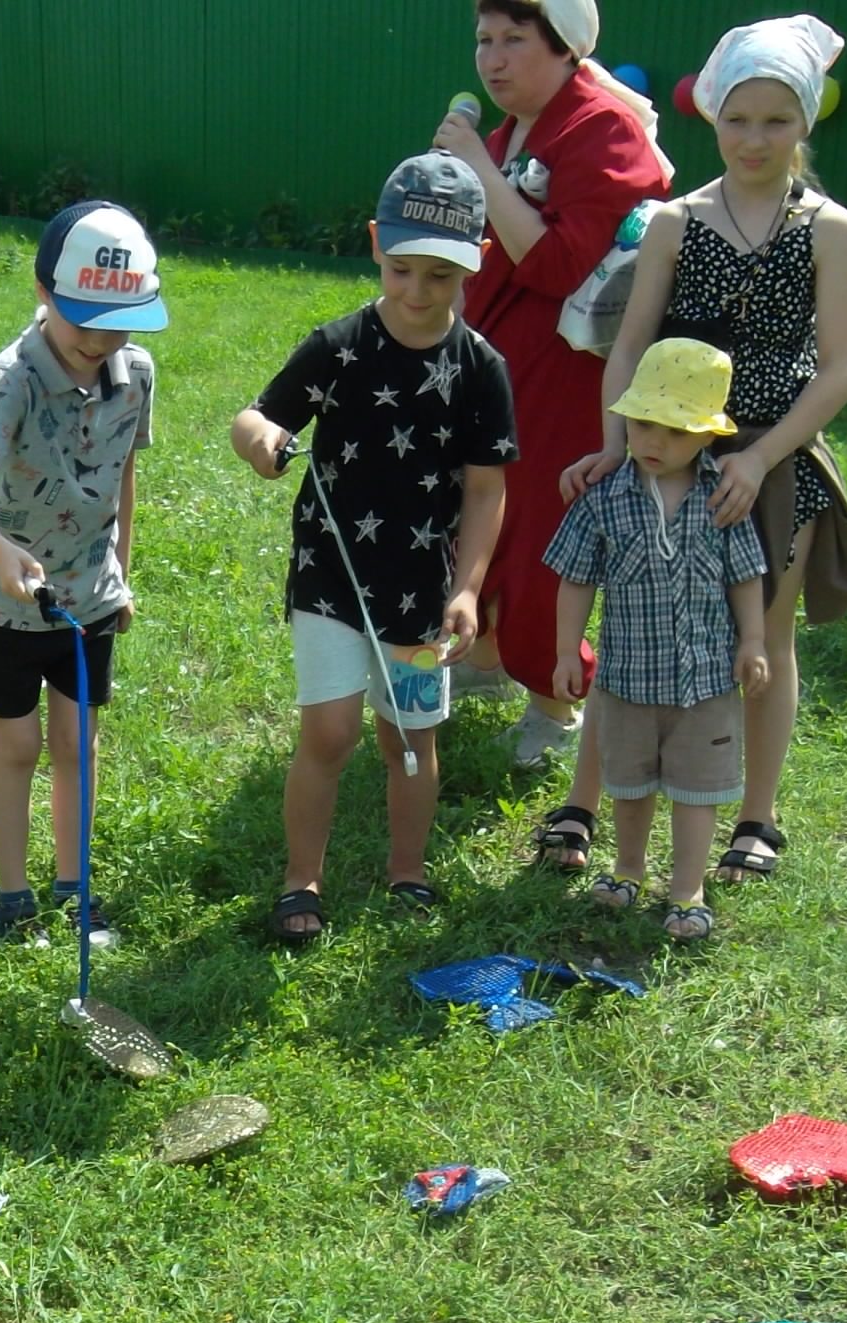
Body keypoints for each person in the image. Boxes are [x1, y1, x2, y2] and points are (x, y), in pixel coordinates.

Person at [548, 14, 847, 888]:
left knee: (762, 636)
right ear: (713, 117)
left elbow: (840, 367)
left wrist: (764, 460)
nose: (754, 138)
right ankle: (587, 798)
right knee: (633, 626)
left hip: (774, 458)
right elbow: (628, 343)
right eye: (738, 118)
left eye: (775, 120)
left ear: (804, 122)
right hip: (669, 448)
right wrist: (618, 444)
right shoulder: (676, 222)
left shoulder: (830, 227)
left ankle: (756, 815)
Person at [230, 153, 515, 945]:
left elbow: (488, 491)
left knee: (410, 740)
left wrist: (467, 588)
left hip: (422, 590)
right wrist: (263, 439)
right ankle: (301, 882)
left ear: (476, 265)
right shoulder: (340, 345)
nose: (418, 293)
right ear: (374, 247)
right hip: (330, 574)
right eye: (402, 270)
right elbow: (255, 417)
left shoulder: (481, 369)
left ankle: (408, 871)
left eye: (441, 277)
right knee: (329, 733)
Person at [434, 0, 669, 770]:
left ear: (564, 47)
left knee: (539, 523)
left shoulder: (602, 127)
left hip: (566, 371)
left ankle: (555, 698)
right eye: (483, 40)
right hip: (495, 358)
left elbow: (562, 263)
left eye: (513, 40)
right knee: (481, 501)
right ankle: (489, 652)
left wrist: (479, 169)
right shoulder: (507, 133)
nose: (492, 59)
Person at [0, 200, 164, 941]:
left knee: (78, 744)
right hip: (4, 604)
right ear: (43, 294)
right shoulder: (11, 379)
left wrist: (121, 575)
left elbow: (124, 478)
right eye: (85, 323)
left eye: (119, 322)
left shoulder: (135, 371)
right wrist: (3, 555)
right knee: (18, 747)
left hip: (89, 599)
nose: (101, 341)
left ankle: (75, 891)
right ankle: (13, 898)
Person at [544, 340, 769, 940]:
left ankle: (687, 887)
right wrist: (569, 650)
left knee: (698, 788)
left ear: (707, 436)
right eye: (642, 423)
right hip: (626, 678)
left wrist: (753, 642)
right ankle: (627, 868)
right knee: (631, 781)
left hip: (707, 680)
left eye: (672, 431)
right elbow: (575, 578)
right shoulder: (605, 496)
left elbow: (746, 574)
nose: (652, 441)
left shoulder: (723, 495)